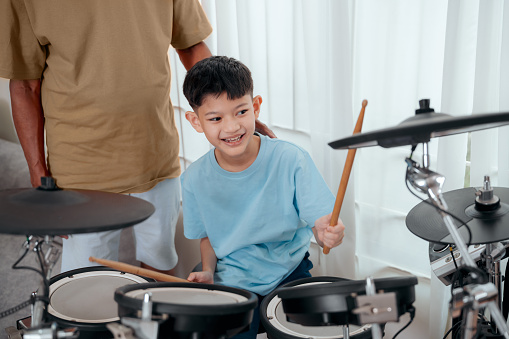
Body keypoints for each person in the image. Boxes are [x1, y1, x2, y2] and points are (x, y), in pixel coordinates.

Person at [0, 0, 221, 275]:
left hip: (155, 150)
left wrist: (231, 108)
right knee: (86, 278)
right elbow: (24, 84)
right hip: (80, 163)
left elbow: (190, 44)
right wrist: (37, 173)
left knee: (160, 260)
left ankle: (148, 318)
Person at [181, 56, 346, 338]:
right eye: (216, 118)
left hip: (288, 270)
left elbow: (322, 223)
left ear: (255, 106)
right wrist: (208, 271)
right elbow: (207, 235)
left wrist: (327, 234)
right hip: (232, 279)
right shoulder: (193, 178)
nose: (232, 127)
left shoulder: (291, 158)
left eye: (241, 112)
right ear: (196, 121)